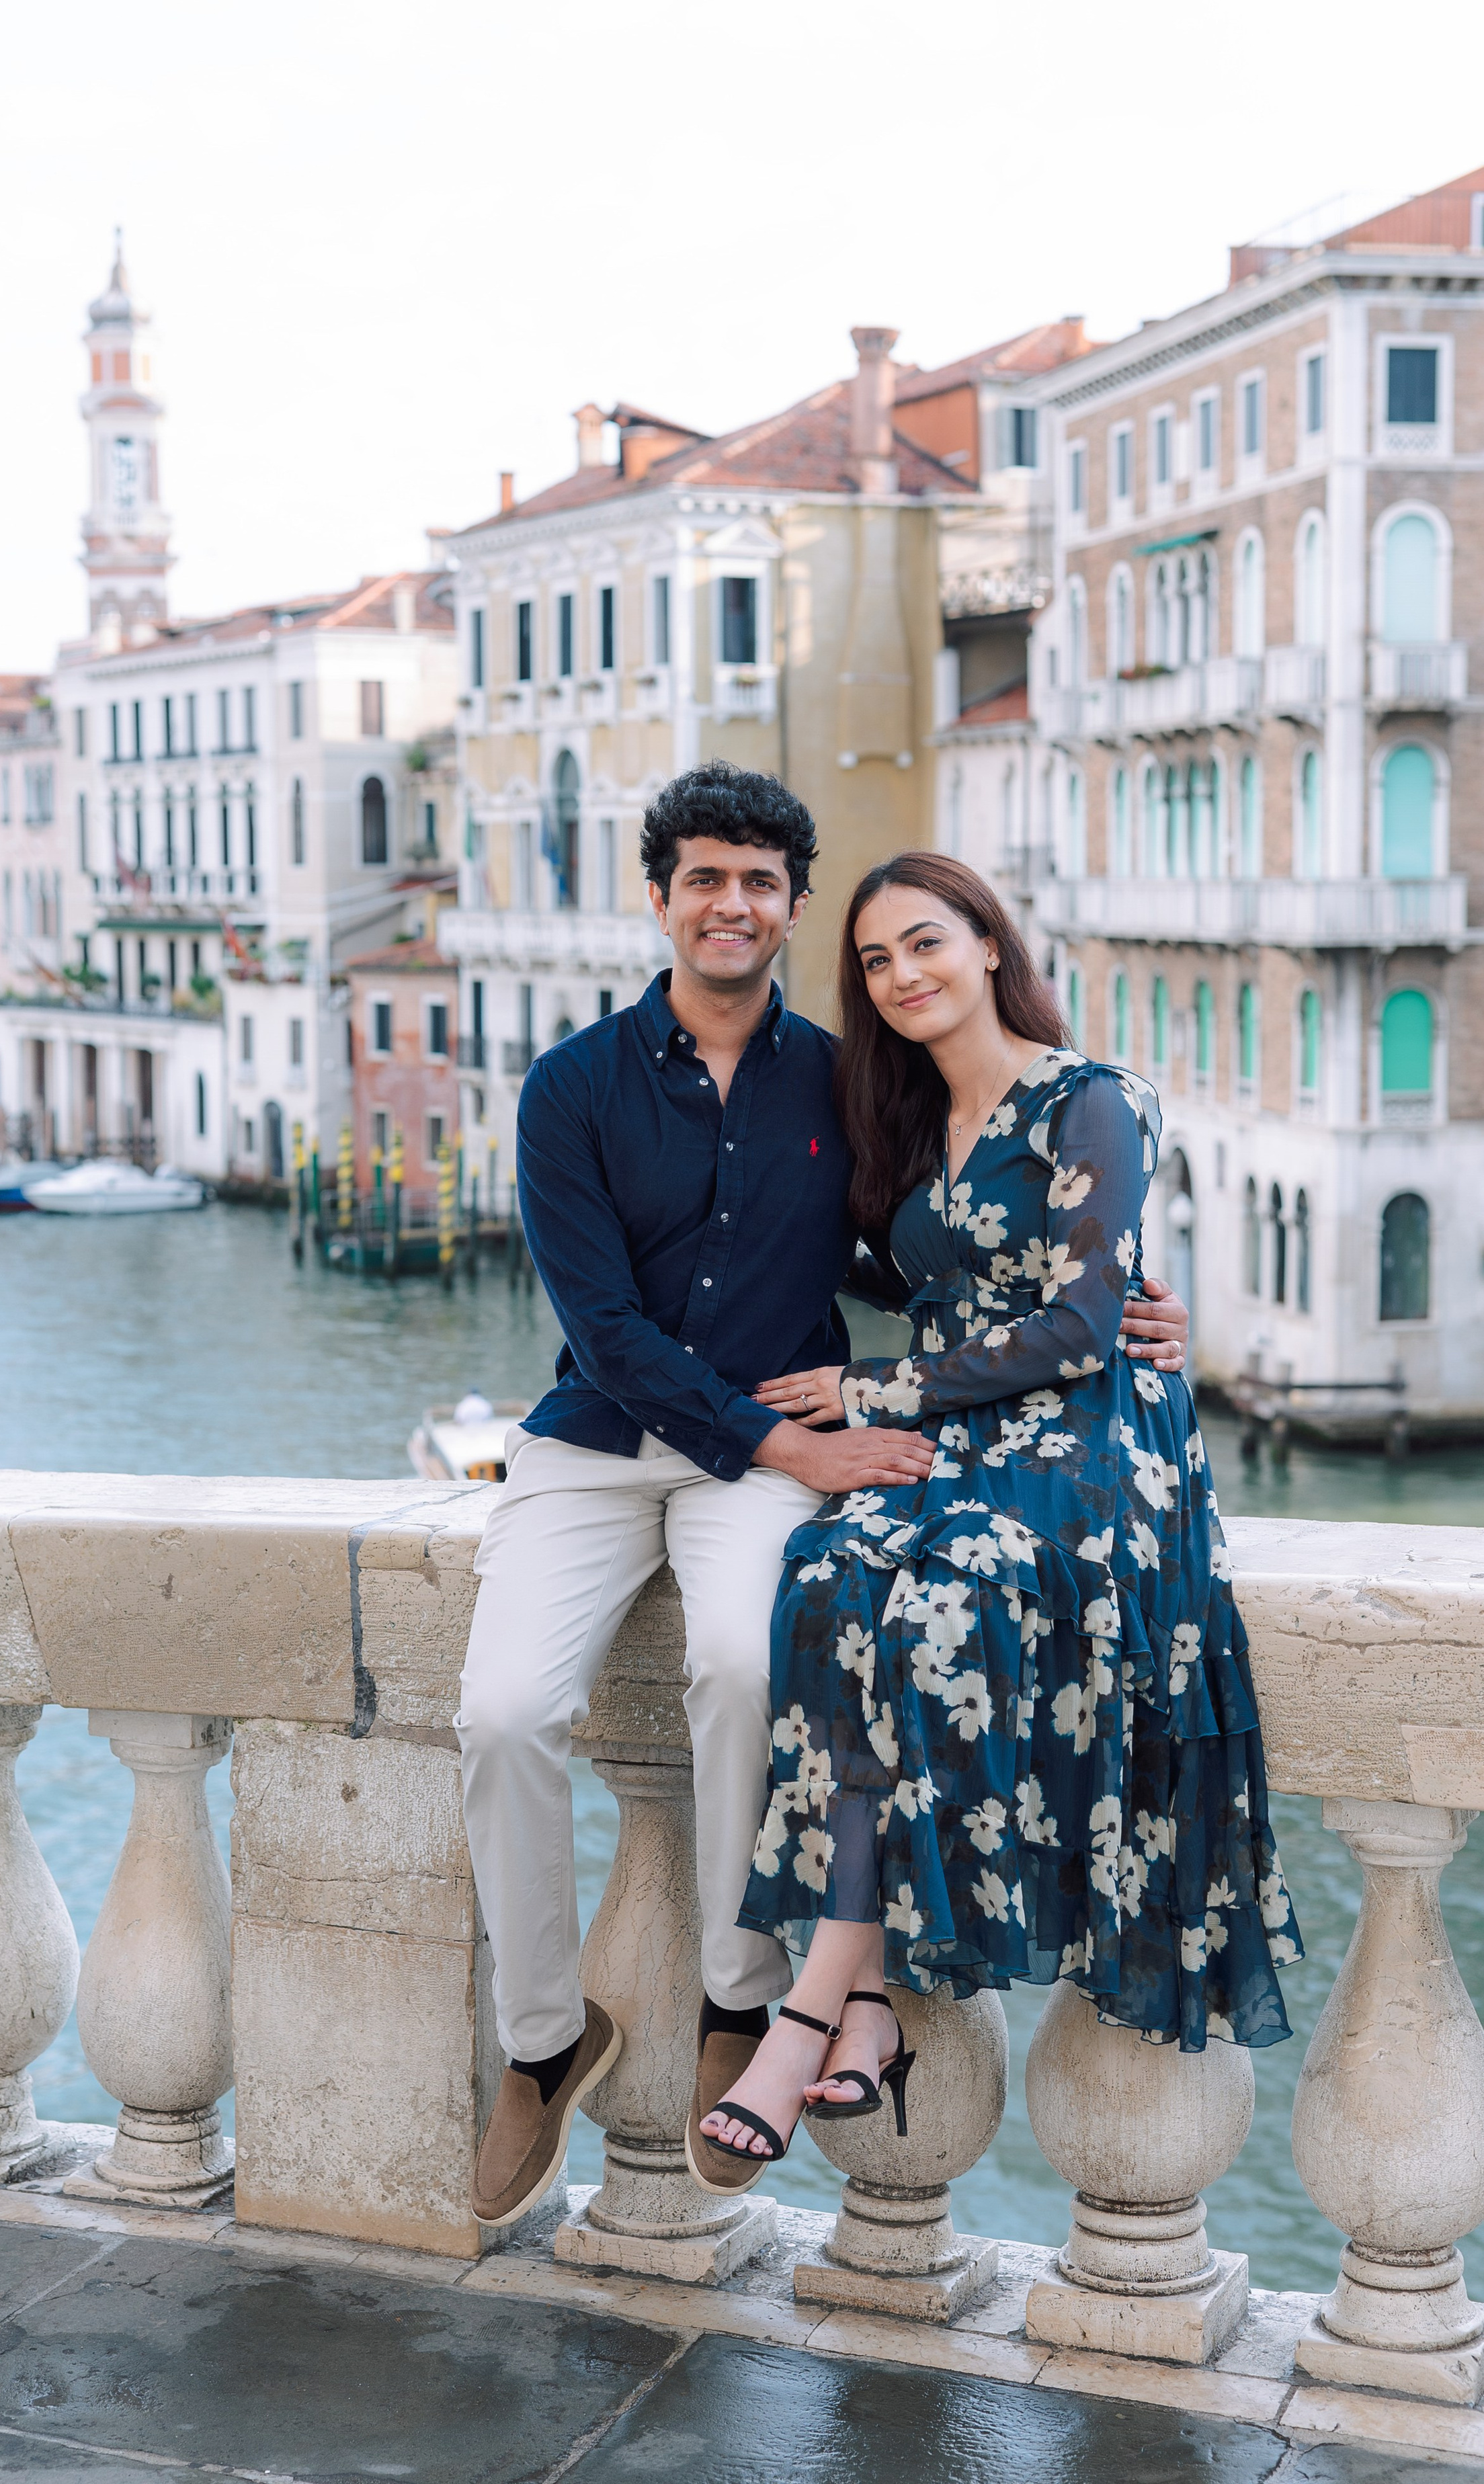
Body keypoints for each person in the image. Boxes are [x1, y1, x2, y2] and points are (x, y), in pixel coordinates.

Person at [457, 770, 1191, 2227]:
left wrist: (1122, 1309)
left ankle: (746, 1998)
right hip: (606, 1438)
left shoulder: (842, 1084)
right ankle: (542, 2041)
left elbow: (908, 1266)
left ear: (790, 906)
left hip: (770, 1450)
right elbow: (603, 1329)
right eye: (701, 879)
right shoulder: (570, 1086)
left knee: (742, 1663)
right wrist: (795, 1440)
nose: (729, 904)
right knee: (501, 1714)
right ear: (658, 895)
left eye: (758, 882)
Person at [698, 852, 1302, 2171]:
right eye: (873, 961)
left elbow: (1085, 1328)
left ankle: (807, 2011)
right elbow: (861, 1259)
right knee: (830, 1569)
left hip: (1089, 1445)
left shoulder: (1090, 1101)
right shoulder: (905, 1120)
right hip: (957, 1434)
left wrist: (865, 1389)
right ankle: (863, 2005)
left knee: (947, 1593)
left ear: (986, 943)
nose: (902, 974)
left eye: (923, 942)